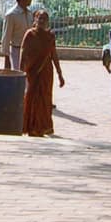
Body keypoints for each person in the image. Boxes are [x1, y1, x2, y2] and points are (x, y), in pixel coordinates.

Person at [19, 8, 64, 136]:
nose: (42, 21)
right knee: (32, 98)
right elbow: (23, 53)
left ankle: (43, 127)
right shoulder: (29, 34)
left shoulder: (50, 36)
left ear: (48, 21)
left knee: (45, 99)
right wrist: (20, 72)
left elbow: (54, 55)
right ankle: (31, 127)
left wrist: (60, 74)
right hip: (32, 71)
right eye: (40, 18)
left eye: (45, 19)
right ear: (35, 19)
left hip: (46, 72)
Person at [2, 0, 36, 69]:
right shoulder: (11, 15)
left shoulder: (29, 13)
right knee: (19, 74)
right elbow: (6, 36)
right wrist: (7, 58)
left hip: (30, 51)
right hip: (17, 50)